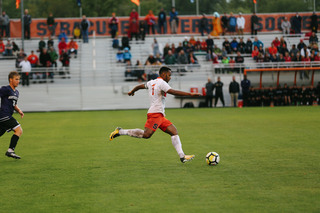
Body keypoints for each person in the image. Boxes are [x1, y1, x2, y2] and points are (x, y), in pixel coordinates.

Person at [109, 66, 199, 163]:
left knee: (174, 131)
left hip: (160, 115)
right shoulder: (162, 83)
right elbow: (173, 92)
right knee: (146, 135)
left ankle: (182, 156)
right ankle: (120, 131)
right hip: (155, 114)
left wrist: (132, 91)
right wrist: (190, 94)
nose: (170, 77)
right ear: (163, 74)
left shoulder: (151, 82)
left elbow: (140, 86)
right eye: (169, 75)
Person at [0, 71, 24, 159]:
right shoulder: (5, 89)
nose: (18, 81)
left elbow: (13, 104)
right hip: (4, 115)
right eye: (16, 79)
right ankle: (10, 151)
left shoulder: (16, 92)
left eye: (19, 79)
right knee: (19, 130)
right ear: (11, 80)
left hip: (6, 116)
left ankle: (10, 151)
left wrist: (19, 110)